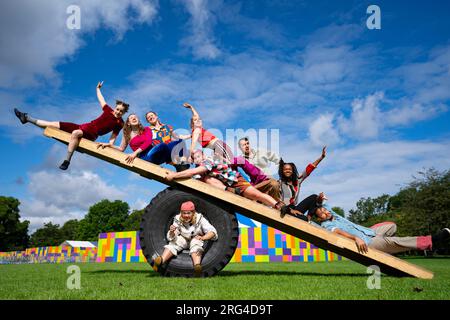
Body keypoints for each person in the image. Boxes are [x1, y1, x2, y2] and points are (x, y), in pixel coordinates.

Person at [14, 81, 129, 170]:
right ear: (115, 107)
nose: (118, 112)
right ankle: (27, 118)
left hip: (92, 133)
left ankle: (67, 161)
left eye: (121, 111)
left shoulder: (119, 123)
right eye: (117, 109)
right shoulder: (108, 110)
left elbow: (113, 137)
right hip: (83, 126)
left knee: (75, 133)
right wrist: (97, 89)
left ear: (124, 113)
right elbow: (101, 99)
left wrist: (108, 144)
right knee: (53, 124)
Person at [296, 194, 450, 255]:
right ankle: (432, 241)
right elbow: (337, 233)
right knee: (396, 241)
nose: (325, 213)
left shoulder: (333, 215)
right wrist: (356, 238)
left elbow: (321, 203)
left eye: (324, 211)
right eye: (321, 214)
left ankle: (390, 248)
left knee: (392, 225)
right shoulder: (326, 226)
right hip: (370, 242)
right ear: (320, 219)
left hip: (370, 232)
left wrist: (320, 200)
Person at [165, 150, 285, 211]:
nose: (196, 159)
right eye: (194, 158)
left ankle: (279, 205)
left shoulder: (208, 161)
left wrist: (174, 176)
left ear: (203, 156)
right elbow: (191, 178)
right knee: (206, 179)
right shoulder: (200, 170)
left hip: (237, 181)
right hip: (230, 186)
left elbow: (191, 172)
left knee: (257, 195)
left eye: (198, 156)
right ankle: (230, 191)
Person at [152, 201, 218, 277]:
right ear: (181, 213)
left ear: (193, 212)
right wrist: (171, 232)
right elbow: (172, 236)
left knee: (196, 245)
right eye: (184, 213)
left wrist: (203, 237)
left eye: (188, 213)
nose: (186, 215)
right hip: (183, 238)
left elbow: (212, 232)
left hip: (195, 238)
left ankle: (197, 267)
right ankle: (161, 260)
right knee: (174, 243)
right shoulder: (177, 219)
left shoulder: (200, 219)